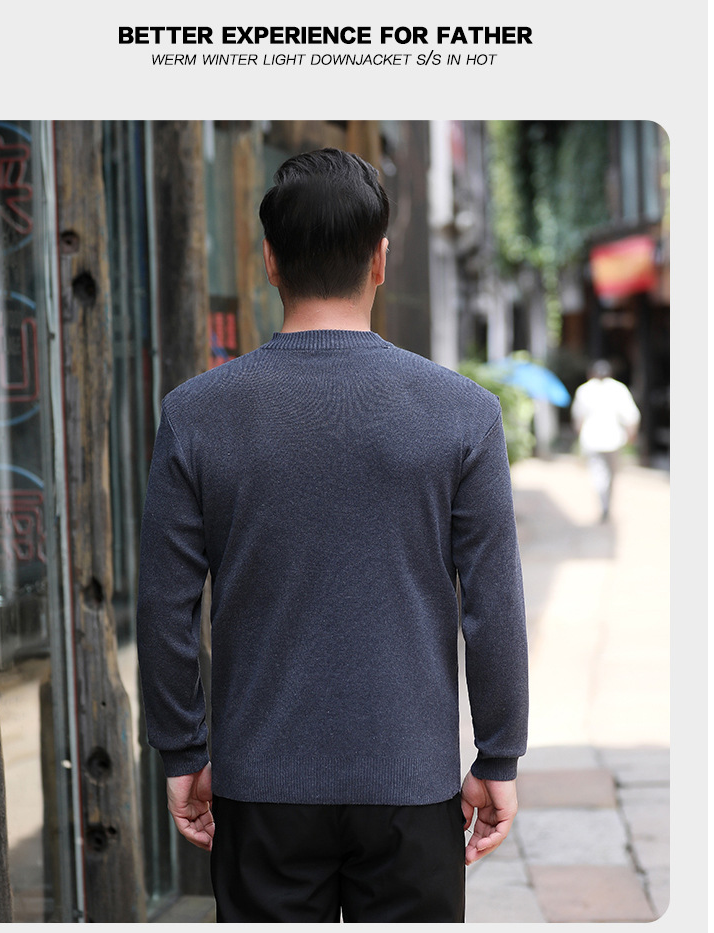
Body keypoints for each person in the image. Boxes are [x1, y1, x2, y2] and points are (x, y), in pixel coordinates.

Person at [136, 148, 529, 922]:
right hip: (412, 782)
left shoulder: (195, 413)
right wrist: (498, 754)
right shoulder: (464, 413)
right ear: (380, 259)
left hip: (260, 784)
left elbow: (162, 604)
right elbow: (495, 605)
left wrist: (182, 749)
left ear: (269, 260)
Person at [571, 360, 641, 522]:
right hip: (614, 440)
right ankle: (605, 506)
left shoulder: (585, 390)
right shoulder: (618, 389)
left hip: (592, 440)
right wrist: (632, 435)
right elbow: (632, 416)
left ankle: (604, 505)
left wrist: (578, 436)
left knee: (599, 475)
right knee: (610, 475)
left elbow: (578, 417)